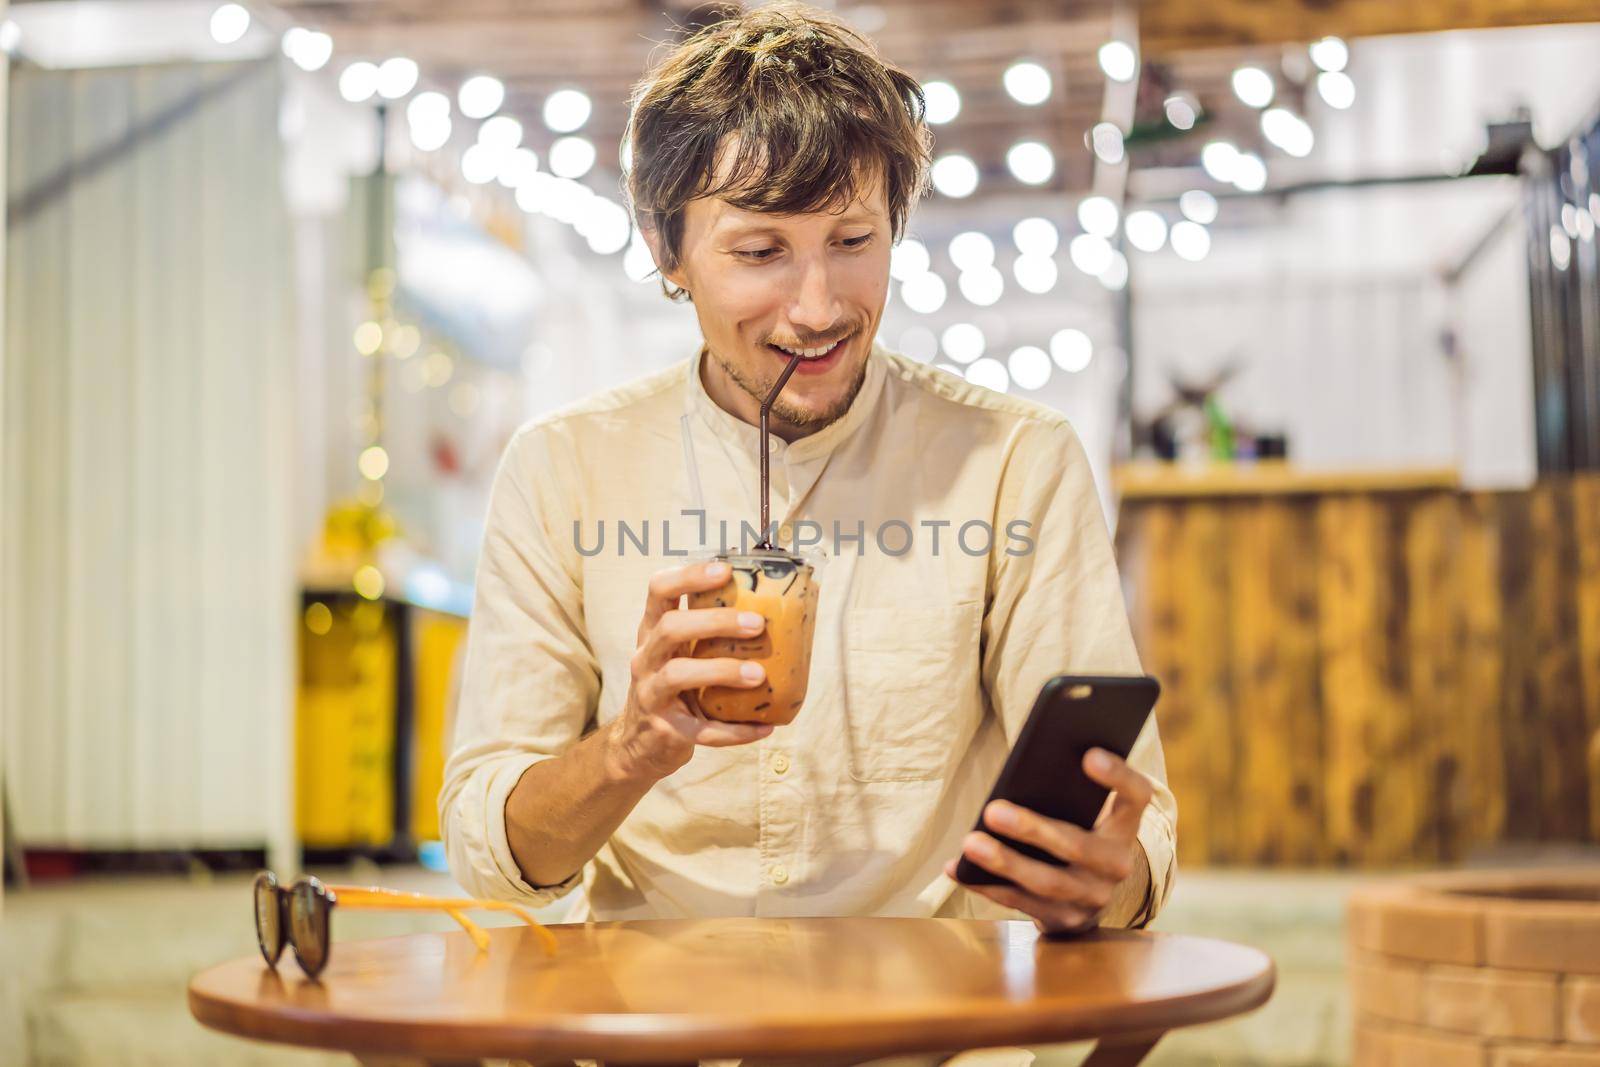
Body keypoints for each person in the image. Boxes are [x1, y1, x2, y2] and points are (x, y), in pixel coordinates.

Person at [441, 2, 1175, 946]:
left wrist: (1102, 881)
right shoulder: (563, 467)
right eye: (760, 252)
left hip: (931, 1031)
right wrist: (628, 750)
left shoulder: (1014, 462)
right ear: (669, 254)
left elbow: (1136, 829)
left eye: (854, 241)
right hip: (658, 1025)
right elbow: (494, 853)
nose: (819, 307)